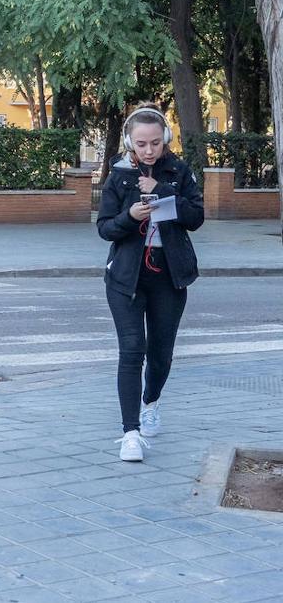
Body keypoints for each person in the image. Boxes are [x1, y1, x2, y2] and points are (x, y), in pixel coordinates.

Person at [96, 105, 204, 462]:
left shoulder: (178, 171)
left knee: (160, 354)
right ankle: (130, 433)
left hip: (168, 275)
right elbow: (105, 228)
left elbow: (195, 217)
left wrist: (162, 192)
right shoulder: (119, 175)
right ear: (130, 141)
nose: (148, 150)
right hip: (126, 276)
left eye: (155, 143)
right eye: (141, 143)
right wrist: (129, 216)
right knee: (132, 350)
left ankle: (150, 401)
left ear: (165, 140)